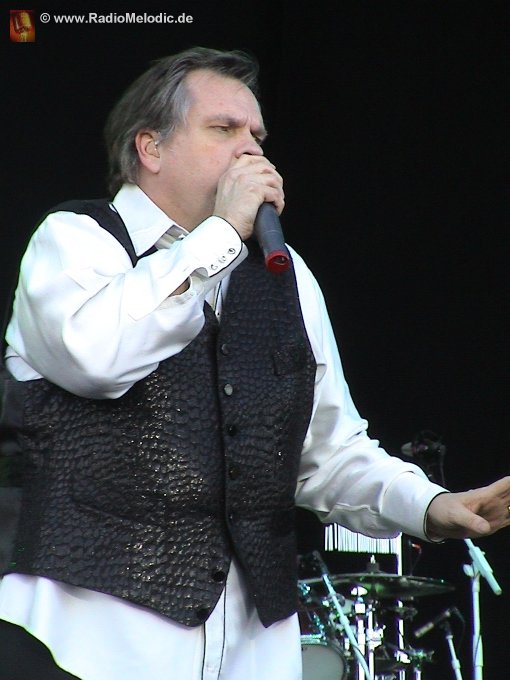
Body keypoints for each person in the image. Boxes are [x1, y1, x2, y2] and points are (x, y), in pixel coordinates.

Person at [0, 46, 509, 680]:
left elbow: (326, 451)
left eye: (257, 135)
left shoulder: (286, 278)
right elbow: (97, 358)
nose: (251, 150)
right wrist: (219, 234)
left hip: (250, 652)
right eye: (223, 128)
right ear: (150, 148)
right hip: (82, 641)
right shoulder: (74, 241)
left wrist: (428, 505)